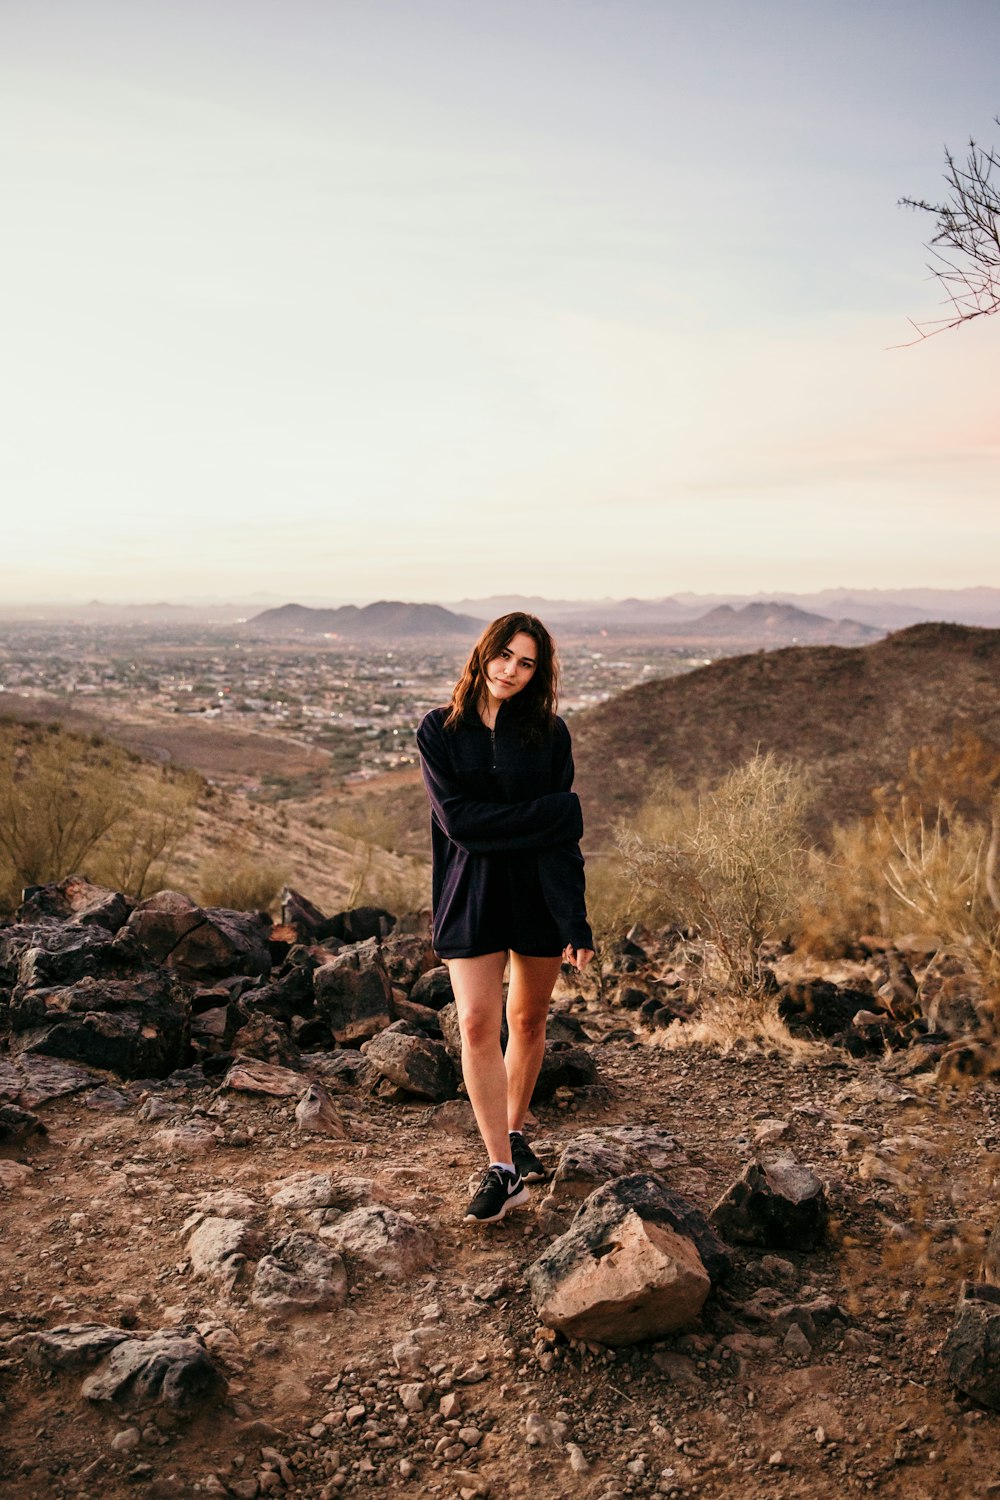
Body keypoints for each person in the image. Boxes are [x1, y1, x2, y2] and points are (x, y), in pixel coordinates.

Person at [415, 612, 594, 1224]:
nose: (510, 671)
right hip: (470, 894)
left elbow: (564, 840)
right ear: (483, 652)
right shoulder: (439, 729)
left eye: (526, 663)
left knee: (529, 1018)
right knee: (474, 1023)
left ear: (538, 673)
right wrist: (551, 813)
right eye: (504, 655)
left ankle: (514, 1134)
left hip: (538, 896)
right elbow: (459, 824)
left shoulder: (550, 734)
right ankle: (501, 1169)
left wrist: (576, 920)